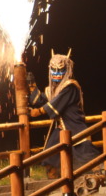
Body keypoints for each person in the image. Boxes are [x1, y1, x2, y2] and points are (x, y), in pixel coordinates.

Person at [27, 50, 100, 178]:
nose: (56, 74)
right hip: (60, 129)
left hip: (74, 125)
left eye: (60, 70)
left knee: (86, 153)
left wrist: (38, 112)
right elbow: (40, 100)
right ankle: (56, 183)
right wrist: (32, 85)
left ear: (67, 70)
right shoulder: (53, 89)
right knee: (50, 156)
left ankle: (103, 173)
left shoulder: (70, 87)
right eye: (53, 70)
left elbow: (54, 105)